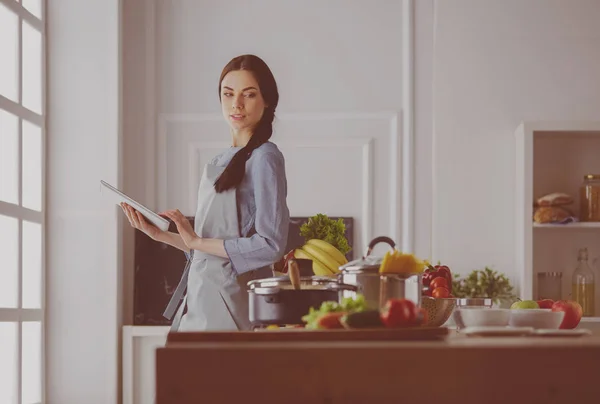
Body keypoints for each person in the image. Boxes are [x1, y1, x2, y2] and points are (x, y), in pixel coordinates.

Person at [121, 54, 290, 331]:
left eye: (248, 95)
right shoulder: (222, 159)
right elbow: (210, 249)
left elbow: (269, 245)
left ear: (267, 100)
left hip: (231, 305)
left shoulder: (265, 157)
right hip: (201, 296)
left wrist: (197, 242)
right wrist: (160, 235)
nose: (236, 104)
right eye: (228, 94)